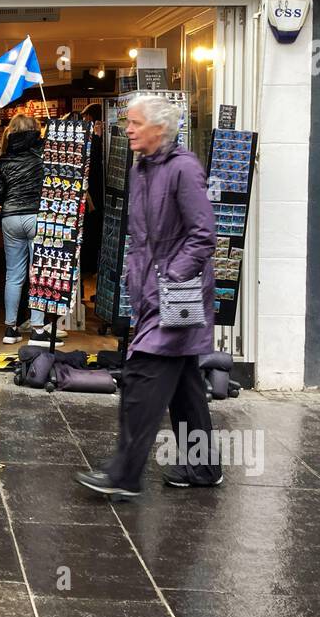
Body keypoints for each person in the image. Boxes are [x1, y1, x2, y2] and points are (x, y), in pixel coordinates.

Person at [75, 94, 221, 500]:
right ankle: (203, 468)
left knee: (141, 379)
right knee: (185, 384)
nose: (128, 129)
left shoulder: (184, 169)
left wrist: (169, 278)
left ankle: (124, 475)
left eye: (135, 123)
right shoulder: (142, 168)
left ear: (159, 128)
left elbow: (203, 235)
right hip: (152, 292)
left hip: (176, 296)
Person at [0, 113, 53, 346]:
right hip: (37, 216)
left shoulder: (4, 160)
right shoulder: (43, 157)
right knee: (38, 273)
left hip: (10, 218)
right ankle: (37, 329)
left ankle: (10, 329)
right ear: (35, 131)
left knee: (13, 274)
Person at [80, 103, 106, 285]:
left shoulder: (95, 141)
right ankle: (92, 266)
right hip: (96, 192)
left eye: (85, 117)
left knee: (93, 229)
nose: (84, 121)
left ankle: (91, 266)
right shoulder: (96, 140)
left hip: (93, 193)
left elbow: (92, 163)